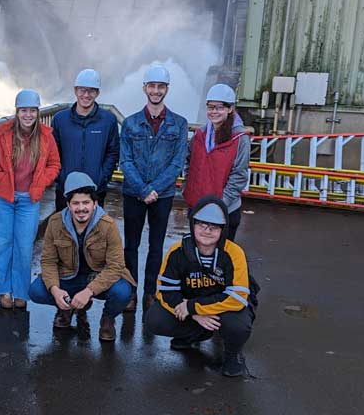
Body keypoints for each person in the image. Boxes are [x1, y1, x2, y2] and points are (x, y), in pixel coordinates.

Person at [143, 198, 256, 377]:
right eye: (202, 224)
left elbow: (237, 298)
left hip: (222, 308)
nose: (207, 230)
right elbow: (165, 291)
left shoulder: (234, 253)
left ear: (223, 229)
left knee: (238, 326)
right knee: (154, 319)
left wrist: (192, 306)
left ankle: (233, 353)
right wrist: (195, 314)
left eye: (214, 226)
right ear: (193, 224)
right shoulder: (177, 252)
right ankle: (196, 333)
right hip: (191, 307)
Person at [29, 172, 135, 341]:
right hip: (68, 277)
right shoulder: (55, 223)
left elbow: (116, 266)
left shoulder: (108, 226)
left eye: (86, 202)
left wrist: (89, 291)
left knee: (123, 292)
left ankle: (107, 319)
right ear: (68, 205)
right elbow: (48, 261)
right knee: (36, 291)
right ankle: (66, 307)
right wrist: (55, 290)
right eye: (75, 203)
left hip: (97, 278)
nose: (81, 208)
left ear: (95, 203)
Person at [0, 89, 60, 309]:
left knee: (24, 246)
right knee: (1, 243)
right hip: (4, 197)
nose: (28, 115)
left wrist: (42, 181)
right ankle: (3, 290)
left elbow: (55, 164)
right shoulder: (3, 131)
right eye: (23, 110)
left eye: (32, 111)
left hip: (29, 200)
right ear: (17, 111)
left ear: (37, 112)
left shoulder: (46, 136)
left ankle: (21, 291)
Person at [120, 64, 189, 312]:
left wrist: (154, 189)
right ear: (145, 88)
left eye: (161, 87)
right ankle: (130, 292)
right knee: (131, 245)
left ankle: (150, 292)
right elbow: (125, 161)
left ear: (167, 89)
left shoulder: (179, 124)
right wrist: (142, 189)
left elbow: (177, 163)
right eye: (152, 86)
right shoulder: (130, 124)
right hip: (133, 194)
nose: (156, 91)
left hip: (162, 195)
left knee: (156, 246)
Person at [182, 84, 250, 241]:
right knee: (196, 257)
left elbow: (239, 175)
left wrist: (219, 205)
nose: (214, 112)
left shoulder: (240, 138)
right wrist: (188, 188)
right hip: (198, 207)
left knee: (220, 258)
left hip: (225, 211)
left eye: (219, 107)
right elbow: (189, 162)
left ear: (230, 108)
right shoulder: (200, 135)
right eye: (210, 107)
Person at [51, 68, 119, 211]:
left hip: (95, 192)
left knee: (93, 232)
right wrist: (61, 177)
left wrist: (102, 178)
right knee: (64, 232)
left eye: (91, 91)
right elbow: (52, 153)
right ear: (75, 91)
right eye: (82, 90)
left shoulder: (108, 120)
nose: (86, 95)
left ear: (97, 93)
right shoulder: (60, 119)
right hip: (65, 191)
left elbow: (112, 152)